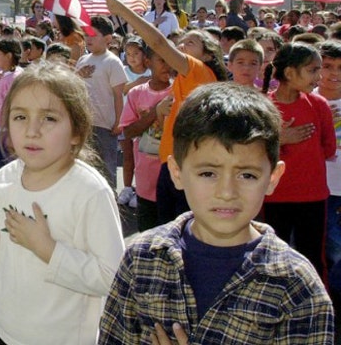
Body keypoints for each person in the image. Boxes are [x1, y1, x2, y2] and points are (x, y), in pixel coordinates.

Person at [98, 82, 335, 344]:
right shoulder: (142, 257)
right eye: (208, 173)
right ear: (176, 173)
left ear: (272, 178)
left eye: (247, 175)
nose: (226, 191)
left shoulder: (295, 284)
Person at [0, 63, 125, 344]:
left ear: (77, 132)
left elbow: (113, 277)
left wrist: (48, 250)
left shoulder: (89, 192)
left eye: (49, 118)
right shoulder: (0, 184)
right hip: (6, 333)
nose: (32, 131)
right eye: (20, 117)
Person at [106, 0, 227, 225]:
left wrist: (123, 11)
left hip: (186, 168)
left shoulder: (200, 71)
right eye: (181, 42)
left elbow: (159, 44)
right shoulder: (182, 83)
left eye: (189, 43)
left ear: (208, 55)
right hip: (172, 165)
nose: (181, 46)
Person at [262, 42, 336, 282]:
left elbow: (328, 148)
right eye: (313, 70)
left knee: (313, 257)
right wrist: (279, 139)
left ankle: (318, 310)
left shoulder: (319, 105)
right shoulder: (263, 107)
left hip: (312, 197)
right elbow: (250, 153)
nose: (319, 76)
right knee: (273, 256)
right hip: (273, 196)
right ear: (290, 73)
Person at [120, 44, 173, 232]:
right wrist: (155, 112)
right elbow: (128, 131)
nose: (167, 65)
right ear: (148, 62)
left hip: (174, 179)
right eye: (161, 60)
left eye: (170, 59)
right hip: (146, 180)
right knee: (147, 233)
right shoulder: (137, 93)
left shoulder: (180, 91)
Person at [75, 16, 128, 189]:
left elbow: (118, 95)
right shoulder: (82, 61)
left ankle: (111, 204)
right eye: (86, 34)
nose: (88, 38)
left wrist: (119, 122)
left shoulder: (112, 62)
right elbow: (74, 88)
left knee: (107, 168)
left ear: (108, 38)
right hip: (85, 123)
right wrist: (78, 75)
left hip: (106, 125)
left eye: (93, 35)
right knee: (86, 167)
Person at [313, 40, 341, 319]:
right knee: (329, 250)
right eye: (328, 67)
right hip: (318, 190)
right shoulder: (306, 99)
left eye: (340, 68)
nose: (334, 74)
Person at [0, 38, 23, 168]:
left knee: (9, 161)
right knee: (0, 159)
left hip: (7, 127)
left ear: (8, 56)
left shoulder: (15, 77)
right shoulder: (0, 75)